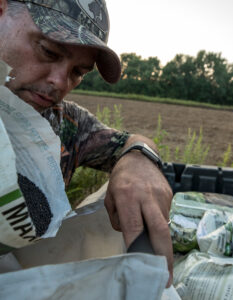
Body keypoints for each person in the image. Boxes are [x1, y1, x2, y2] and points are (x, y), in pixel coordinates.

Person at [0, 0, 173, 286]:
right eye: (48, 51)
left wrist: (139, 160)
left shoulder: (62, 122)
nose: (60, 82)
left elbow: (128, 142)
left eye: (78, 72)